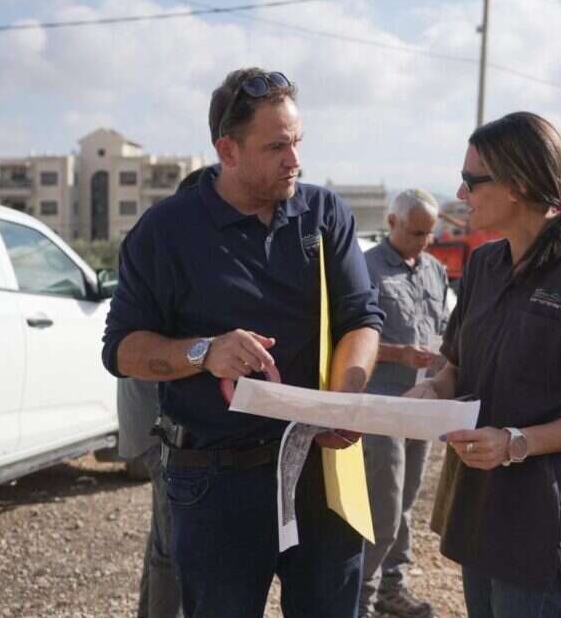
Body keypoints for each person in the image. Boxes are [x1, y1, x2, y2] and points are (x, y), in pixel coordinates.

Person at [102, 67, 383, 618]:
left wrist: (343, 398)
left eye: (297, 142)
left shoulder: (325, 215)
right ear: (227, 150)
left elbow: (360, 319)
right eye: (276, 146)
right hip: (214, 481)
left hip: (321, 472)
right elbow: (122, 350)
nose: (294, 160)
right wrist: (203, 353)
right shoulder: (166, 231)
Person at [406, 112, 561, 618]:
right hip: (481, 516)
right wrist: (429, 395)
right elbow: (455, 368)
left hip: (541, 530)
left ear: (519, 184)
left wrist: (516, 443)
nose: (461, 195)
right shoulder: (484, 265)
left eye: (471, 181)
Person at [117, 166, 207, 618]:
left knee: (164, 538)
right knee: (173, 546)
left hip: (155, 420)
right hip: (161, 423)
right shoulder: (166, 249)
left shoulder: (164, 241)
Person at [359, 190, 448, 618]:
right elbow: (348, 342)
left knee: (406, 504)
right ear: (391, 222)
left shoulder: (435, 270)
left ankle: (390, 590)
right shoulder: (365, 270)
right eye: (417, 232)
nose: (425, 242)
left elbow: (445, 327)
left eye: (430, 233)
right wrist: (398, 353)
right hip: (382, 404)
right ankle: (359, 597)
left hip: (422, 404)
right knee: (383, 508)